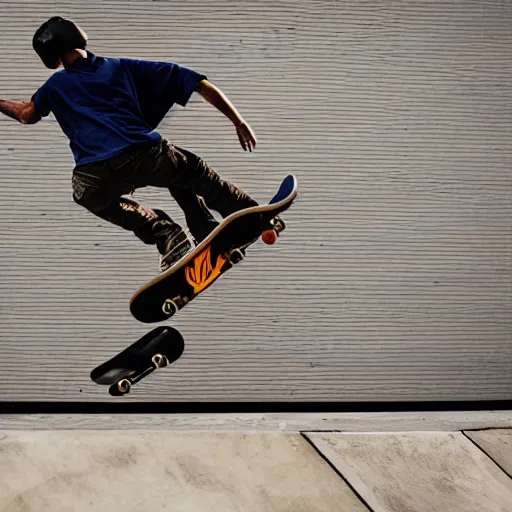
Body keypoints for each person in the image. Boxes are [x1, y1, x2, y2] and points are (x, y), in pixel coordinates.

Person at [0, 16, 259, 271]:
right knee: (192, 173)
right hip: (142, 154)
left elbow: (26, 114)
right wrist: (238, 121)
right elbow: (197, 83)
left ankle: (167, 235)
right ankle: (245, 214)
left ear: (51, 56)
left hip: (91, 177)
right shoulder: (121, 67)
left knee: (98, 195)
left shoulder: (55, 85)